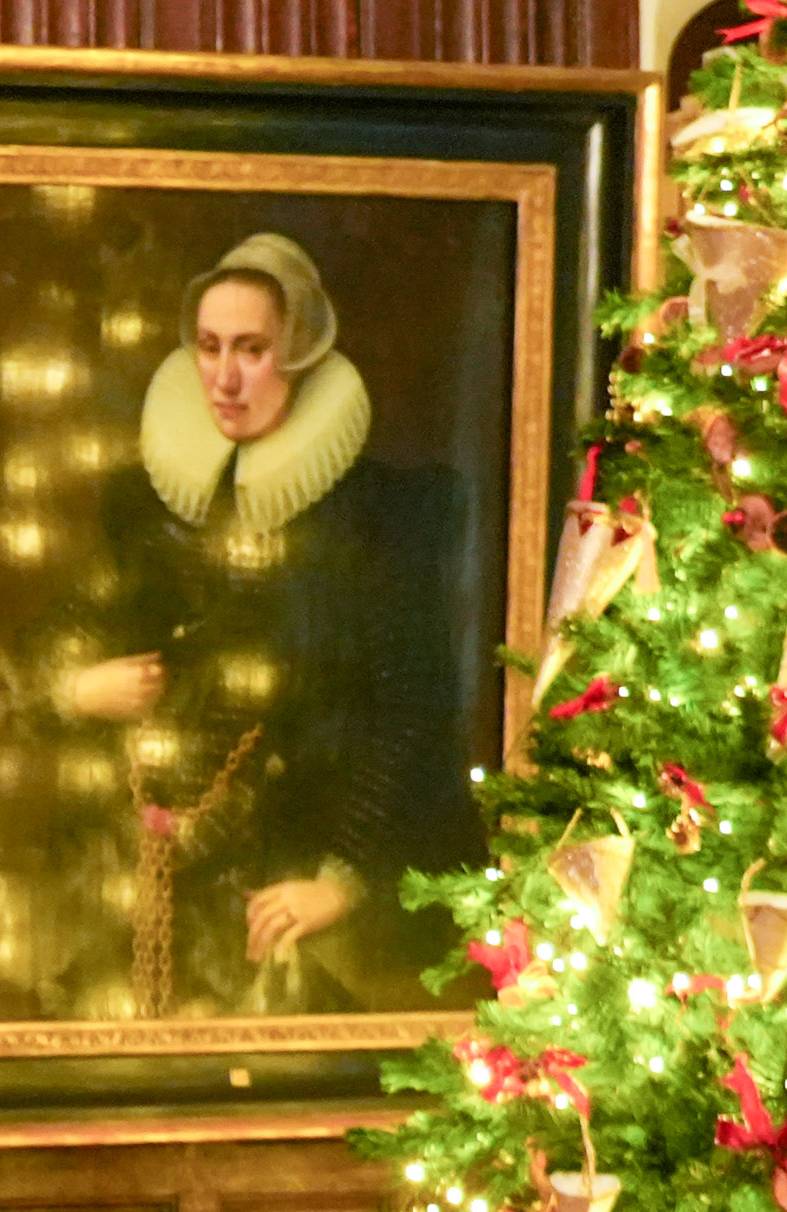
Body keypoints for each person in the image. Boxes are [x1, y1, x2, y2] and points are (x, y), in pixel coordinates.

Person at [31, 228, 478, 1025]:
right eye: (208, 347)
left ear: (299, 354)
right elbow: (67, 630)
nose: (225, 378)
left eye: (252, 349)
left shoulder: (379, 517)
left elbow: (413, 709)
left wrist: (340, 882)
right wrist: (73, 685)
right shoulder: (149, 509)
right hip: (164, 869)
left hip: (310, 868)